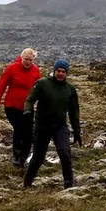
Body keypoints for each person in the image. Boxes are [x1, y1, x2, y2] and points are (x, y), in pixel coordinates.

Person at [23, 58, 82, 189]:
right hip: (42, 126)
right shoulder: (43, 84)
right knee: (38, 157)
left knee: (65, 153)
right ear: (54, 71)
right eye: (58, 71)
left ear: (66, 73)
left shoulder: (70, 89)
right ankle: (28, 182)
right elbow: (30, 99)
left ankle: (68, 183)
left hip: (60, 126)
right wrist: (27, 111)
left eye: (63, 72)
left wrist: (77, 131)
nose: (60, 74)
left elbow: (74, 111)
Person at [0, 48, 42, 167]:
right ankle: (16, 154)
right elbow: (1, 85)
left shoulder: (36, 71)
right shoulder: (12, 68)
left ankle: (23, 157)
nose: (28, 62)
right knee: (19, 128)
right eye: (26, 59)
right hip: (12, 106)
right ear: (21, 58)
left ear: (33, 60)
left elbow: (39, 89)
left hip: (27, 107)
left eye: (30, 60)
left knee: (29, 132)